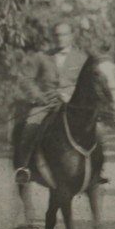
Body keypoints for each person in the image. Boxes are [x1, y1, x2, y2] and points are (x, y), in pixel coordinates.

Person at [13, 22, 88, 184]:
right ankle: (24, 168)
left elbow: (88, 82)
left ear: (71, 36)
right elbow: (26, 80)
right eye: (57, 35)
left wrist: (72, 95)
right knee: (30, 125)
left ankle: (96, 171)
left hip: (73, 106)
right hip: (46, 104)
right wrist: (40, 97)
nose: (60, 38)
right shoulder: (41, 57)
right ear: (53, 37)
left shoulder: (81, 58)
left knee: (97, 130)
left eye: (64, 34)